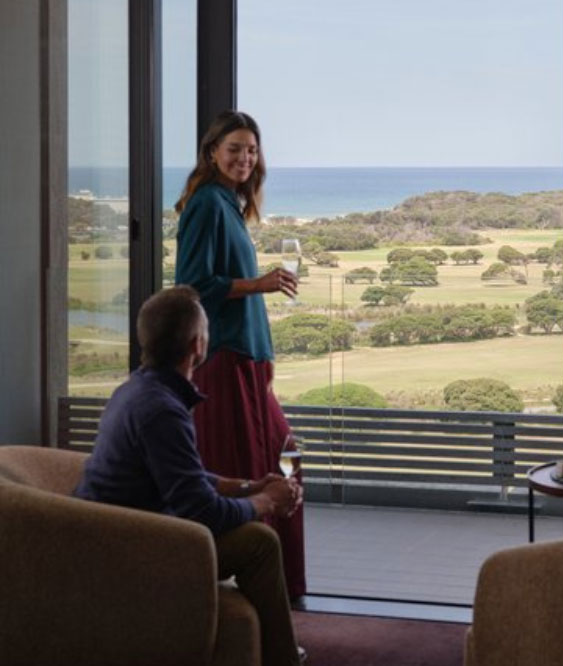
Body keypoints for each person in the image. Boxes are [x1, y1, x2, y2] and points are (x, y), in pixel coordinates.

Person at [75, 286, 305, 666]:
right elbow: (202, 511)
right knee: (260, 543)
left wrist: (252, 486)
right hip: (132, 546)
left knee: (254, 535)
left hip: (114, 531)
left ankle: (276, 651)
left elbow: (187, 477)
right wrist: (266, 502)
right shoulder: (162, 410)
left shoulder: (135, 392)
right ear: (198, 345)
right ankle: (282, 658)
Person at [173, 110, 306, 599]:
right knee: (272, 463)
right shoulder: (207, 203)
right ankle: (268, 586)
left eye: (251, 149)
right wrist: (259, 283)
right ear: (212, 152)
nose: (245, 157)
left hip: (247, 361)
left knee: (279, 459)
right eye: (234, 148)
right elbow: (190, 285)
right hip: (226, 362)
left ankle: (280, 589)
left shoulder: (227, 203)